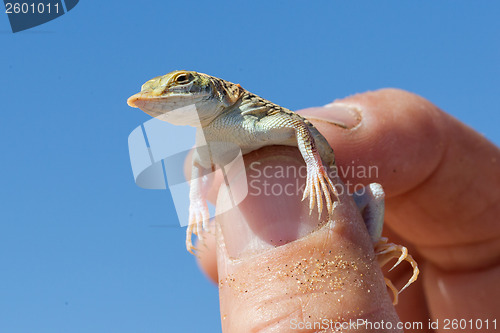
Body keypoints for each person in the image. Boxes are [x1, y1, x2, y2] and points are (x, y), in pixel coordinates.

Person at [194, 89, 499, 332]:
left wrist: (313, 169)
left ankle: (374, 248)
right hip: (341, 218)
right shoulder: (214, 136)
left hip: (332, 190)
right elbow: (199, 164)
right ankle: (374, 253)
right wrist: (196, 203)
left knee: (375, 193)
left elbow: (298, 125)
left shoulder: (250, 118)